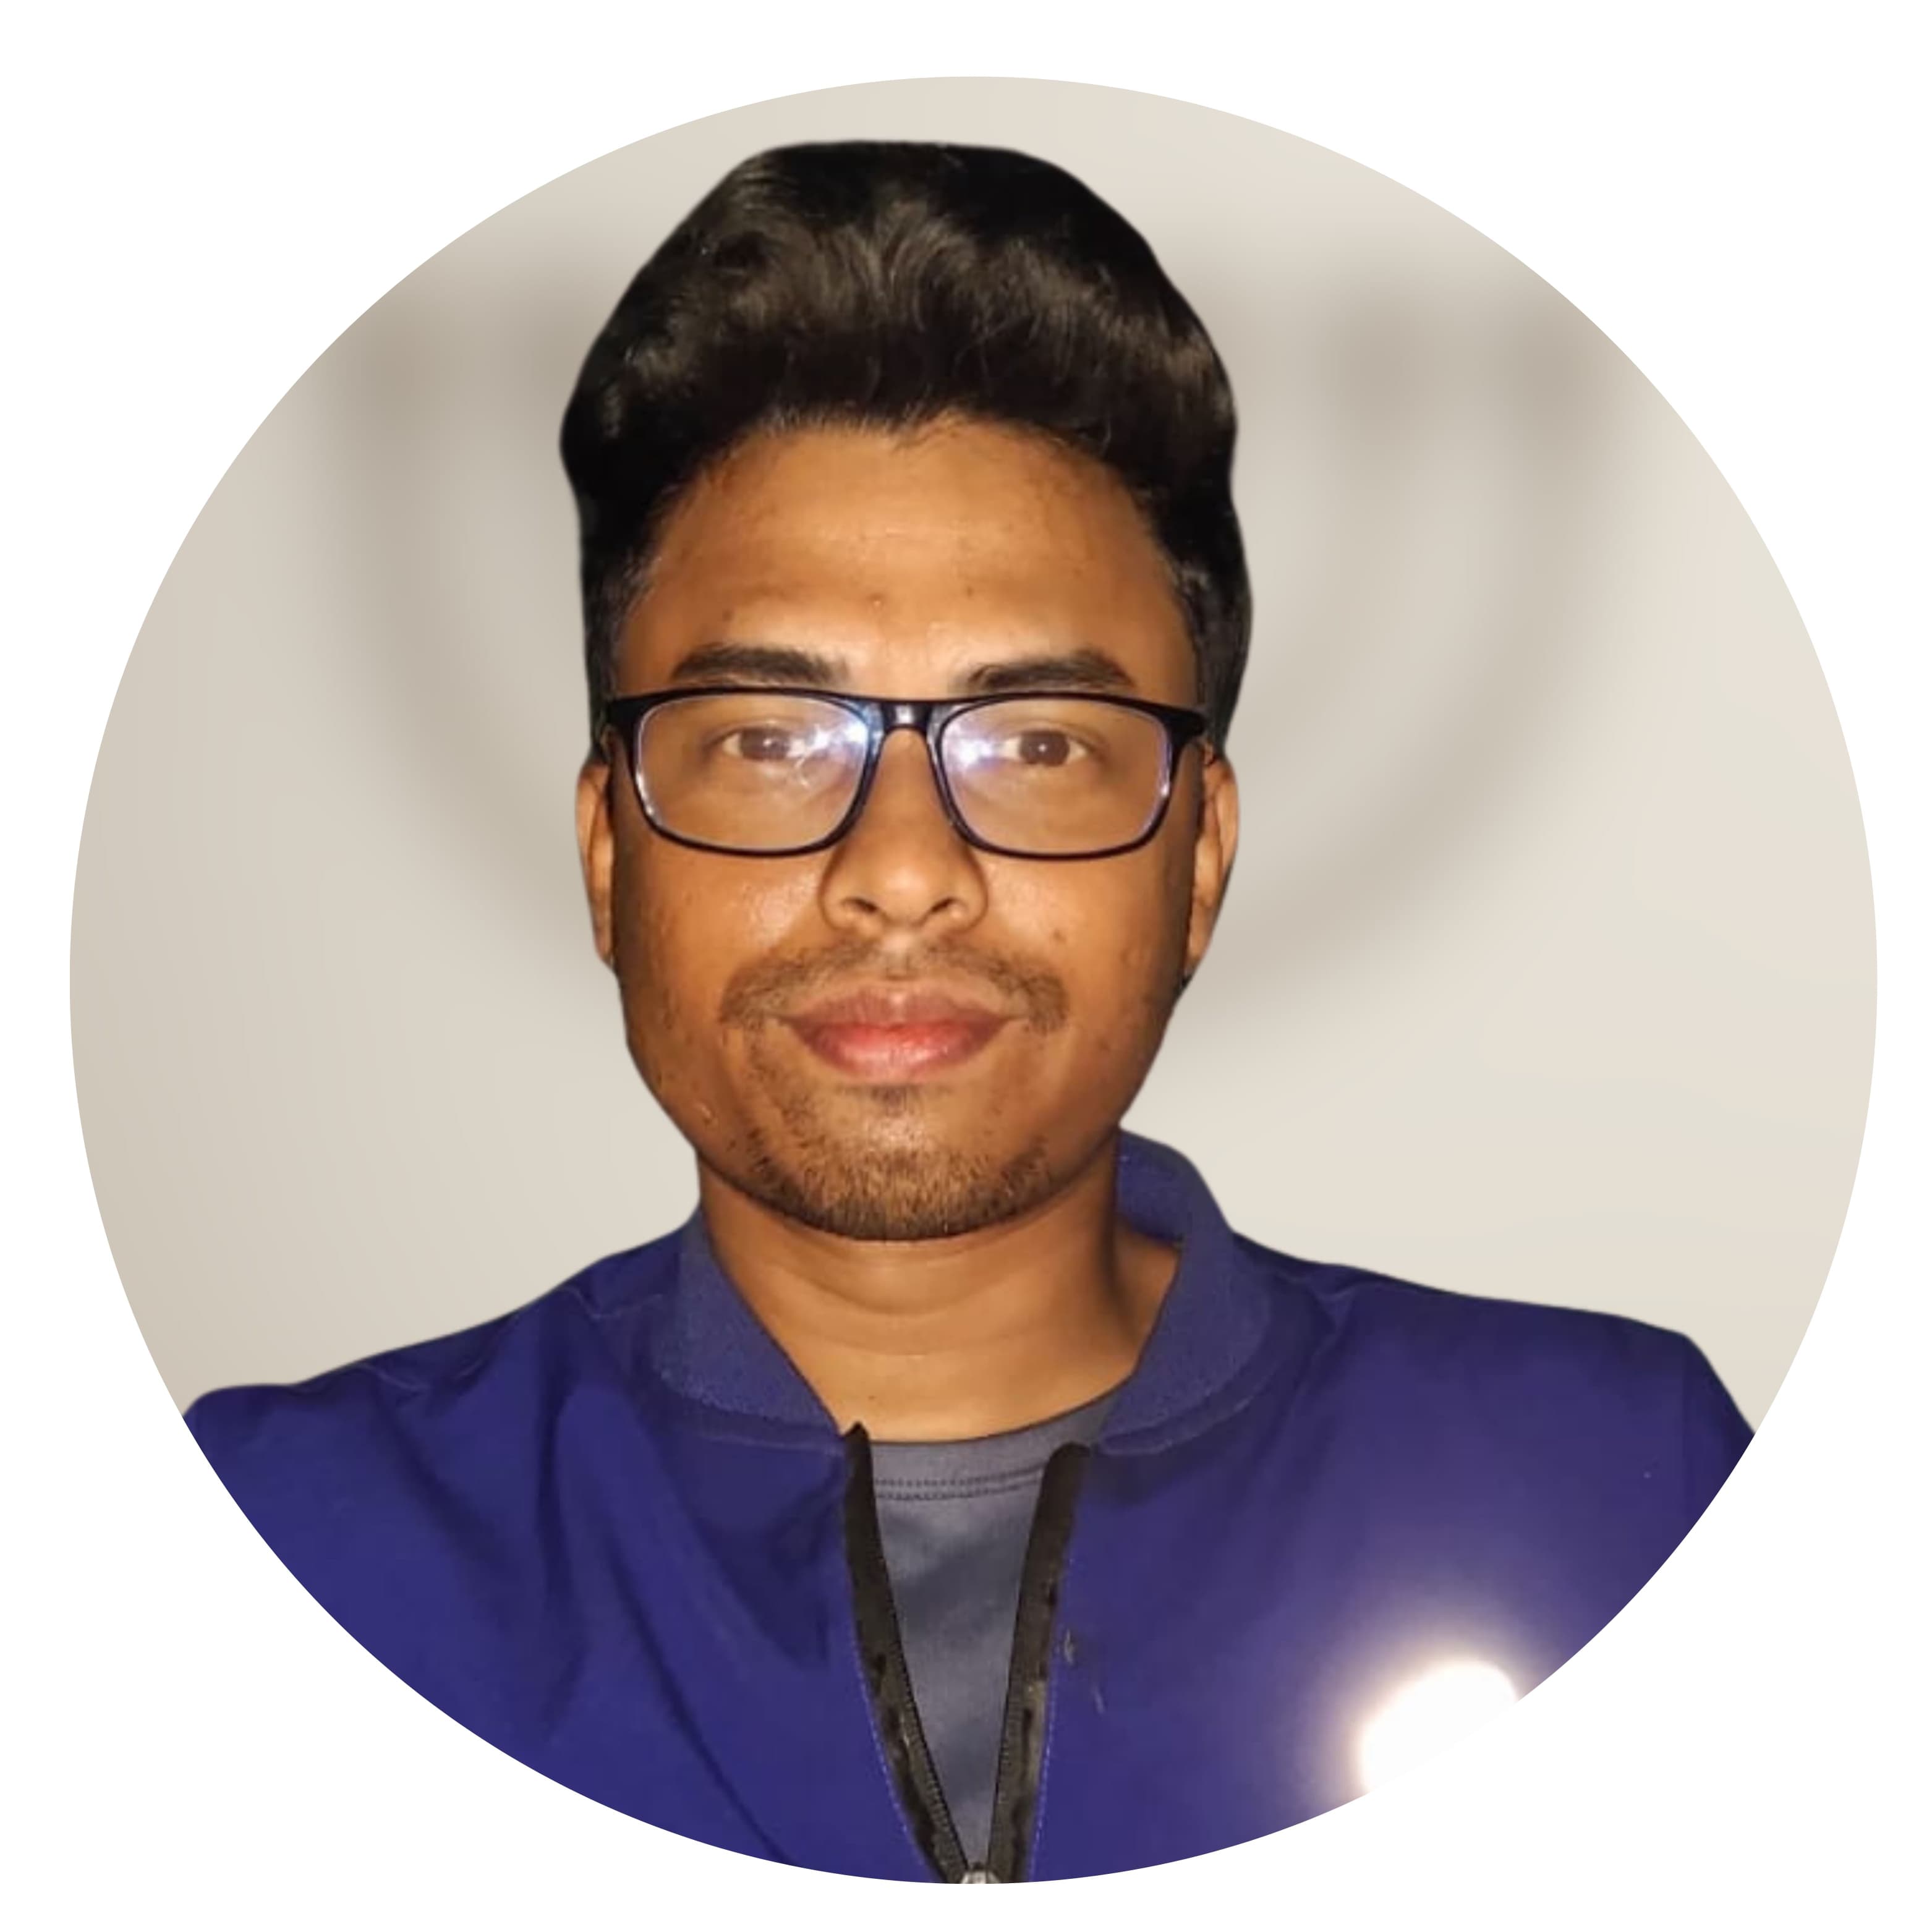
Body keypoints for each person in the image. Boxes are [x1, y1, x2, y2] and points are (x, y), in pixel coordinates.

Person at [187, 141, 1751, 1883]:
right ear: (611, 857)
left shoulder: (1620, 1497)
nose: (903, 871)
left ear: (1201, 858)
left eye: (1038, 745)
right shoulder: (270, 1553)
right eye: (771, 740)